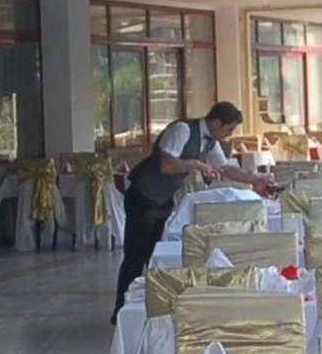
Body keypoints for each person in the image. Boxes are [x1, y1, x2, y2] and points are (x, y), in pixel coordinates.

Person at [112, 101, 273, 319]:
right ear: (216, 123)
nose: (230, 134)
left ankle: (146, 307)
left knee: (152, 254)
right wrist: (196, 164)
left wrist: (255, 180)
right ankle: (121, 311)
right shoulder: (182, 130)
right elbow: (166, 164)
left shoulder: (210, 141)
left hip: (163, 199)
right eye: (229, 129)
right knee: (136, 255)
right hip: (143, 195)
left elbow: (225, 168)